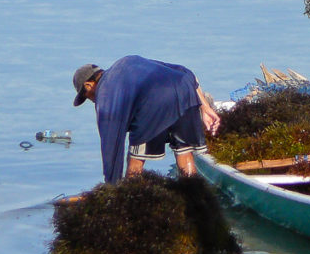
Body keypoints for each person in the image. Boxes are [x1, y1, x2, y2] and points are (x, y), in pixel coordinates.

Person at [72, 56, 221, 183]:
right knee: (184, 151)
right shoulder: (128, 62)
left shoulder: (105, 91)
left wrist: (111, 187)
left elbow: (110, 143)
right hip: (184, 90)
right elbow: (187, 74)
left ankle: (129, 195)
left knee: (135, 157)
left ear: (89, 85)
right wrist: (205, 107)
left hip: (153, 101)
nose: (92, 101)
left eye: (87, 97)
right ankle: (194, 197)